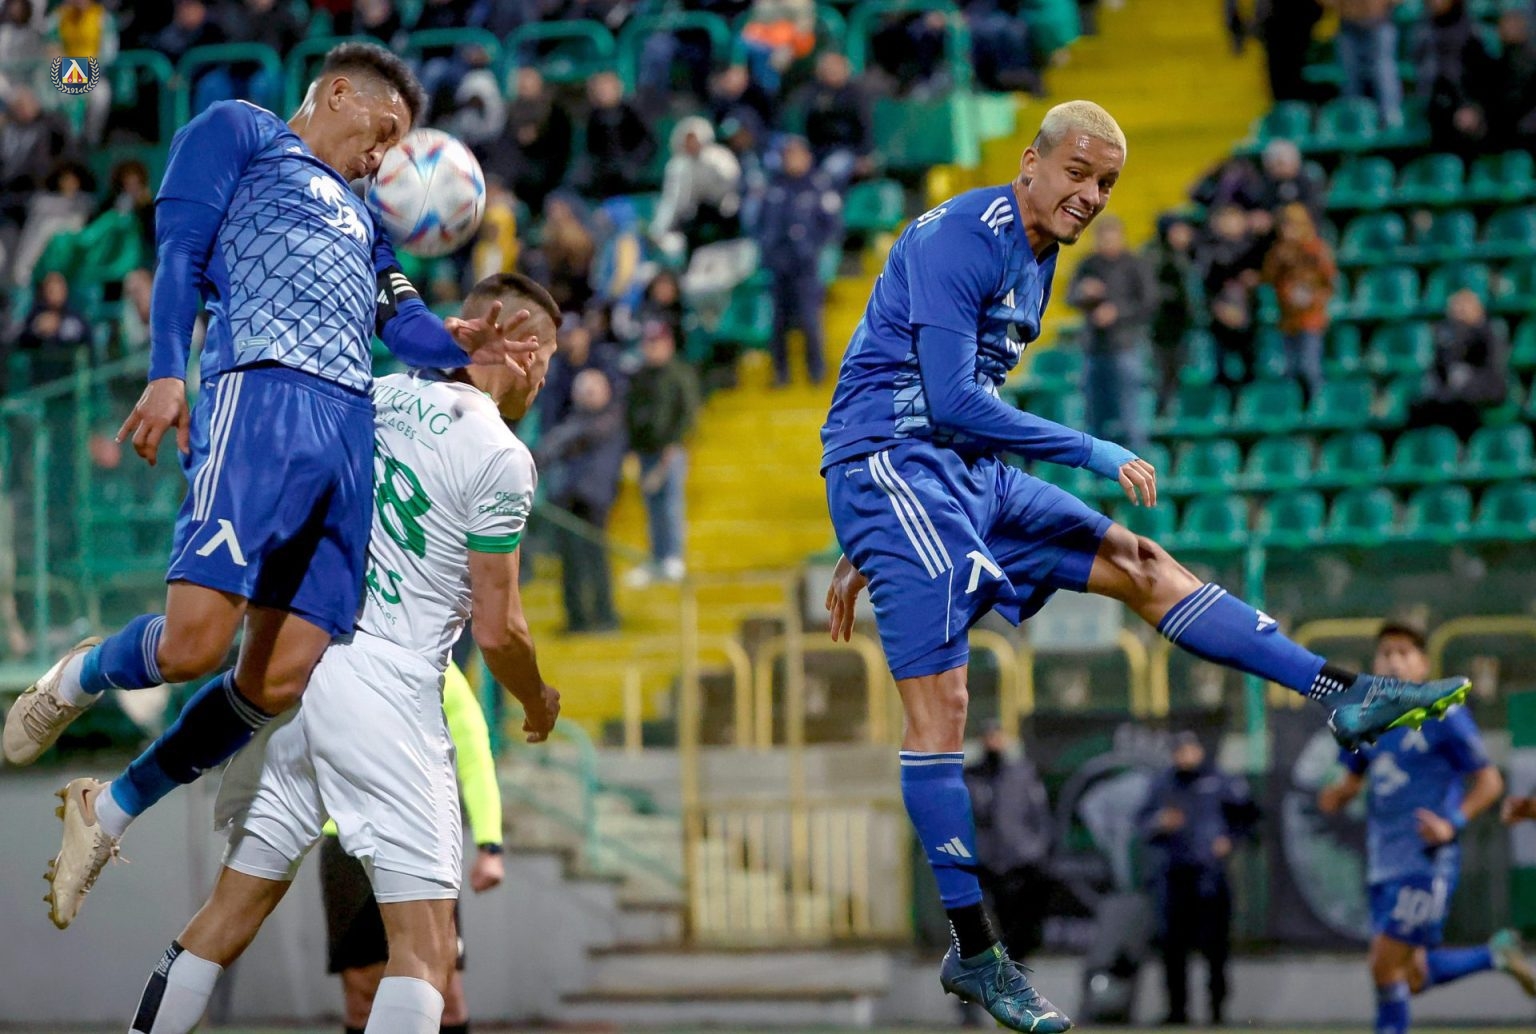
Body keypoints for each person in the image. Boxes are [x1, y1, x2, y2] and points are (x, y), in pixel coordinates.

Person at [818, 99, 1471, 1033]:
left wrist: (873, 539)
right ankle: (975, 950)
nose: (1092, 196)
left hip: (956, 475)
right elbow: (948, 400)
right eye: (1078, 173)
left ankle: (1344, 695)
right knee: (945, 704)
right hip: (896, 462)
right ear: (1030, 161)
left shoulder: (1040, 253)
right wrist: (1085, 450)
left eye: (1107, 184)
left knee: (1139, 559)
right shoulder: (963, 235)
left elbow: (934, 388)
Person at [2, 42, 536, 929]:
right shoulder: (240, 134)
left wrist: (458, 342)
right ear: (338, 93)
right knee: (189, 648)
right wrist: (166, 372)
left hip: (348, 439)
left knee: (278, 680)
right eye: (385, 131)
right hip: (260, 406)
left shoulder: (367, 218)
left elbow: (402, 324)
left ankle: (113, 808)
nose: (387, 155)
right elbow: (180, 253)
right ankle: (79, 676)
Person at [120, 273, 562, 1034]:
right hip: (390, 691)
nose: (546, 379)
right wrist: (537, 698)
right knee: (425, 950)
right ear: (522, 349)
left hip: (301, 671)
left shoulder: (372, 398)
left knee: (228, 913)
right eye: (548, 360)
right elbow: (499, 630)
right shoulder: (501, 456)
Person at [1317, 620, 1536, 1034]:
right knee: (1411, 975)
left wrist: (1452, 823)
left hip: (1424, 860)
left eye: (1404, 653)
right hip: (1382, 862)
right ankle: (1493, 956)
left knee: (1384, 967)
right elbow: (1343, 787)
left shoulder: (1444, 713)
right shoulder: (1368, 719)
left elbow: (1490, 782)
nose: (1394, 661)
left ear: (1423, 664)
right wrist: (1335, 792)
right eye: (1386, 653)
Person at [321, 662, 504, 1034]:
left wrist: (490, 844)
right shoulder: (335, 659)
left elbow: (474, 755)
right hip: (347, 845)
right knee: (362, 996)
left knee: (443, 994)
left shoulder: (439, 666)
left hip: (422, 841)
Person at [1137, 732, 1257, 1026]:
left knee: (1215, 948)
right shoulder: (1163, 783)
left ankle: (1217, 1011)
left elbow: (1249, 818)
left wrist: (1230, 840)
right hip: (1174, 877)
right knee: (1173, 948)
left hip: (1210, 877)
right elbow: (1141, 823)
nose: (1185, 756)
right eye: (1179, 751)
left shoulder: (1221, 780)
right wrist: (1160, 822)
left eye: (1190, 749)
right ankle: (1177, 1011)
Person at [536, 367, 626, 634]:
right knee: (571, 563)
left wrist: (559, 446)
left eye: (592, 391)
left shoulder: (610, 418)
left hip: (593, 500)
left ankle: (604, 616)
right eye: (583, 392)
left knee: (595, 560)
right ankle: (577, 619)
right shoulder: (574, 421)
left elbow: (573, 438)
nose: (587, 397)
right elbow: (552, 446)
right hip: (568, 500)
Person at [757, 135, 842, 387]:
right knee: (778, 322)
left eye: (796, 155)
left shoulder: (818, 186)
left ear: (807, 157)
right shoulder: (773, 187)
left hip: (806, 265)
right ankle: (780, 374)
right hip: (778, 264)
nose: (791, 160)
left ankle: (816, 372)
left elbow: (832, 225)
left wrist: (814, 248)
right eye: (787, 155)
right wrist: (768, 248)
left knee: (809, 319)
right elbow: (759, 223)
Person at [1066, 214, 1155, 453]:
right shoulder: (1088, 265)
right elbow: (1070, 296)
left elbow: (1148, 303)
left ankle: (1137, 464)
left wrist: (1117, 312)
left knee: (1130, 417)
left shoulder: (1134, 265)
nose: (1107, 243)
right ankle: (1098, 469)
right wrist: (1083, 293)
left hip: (1126, 347)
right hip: (1094, 349)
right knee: (1094, 417)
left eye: (1111, 237)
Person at [625, 320, 699, 587]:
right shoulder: (641, 376)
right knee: (651, 506)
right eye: (648, 343)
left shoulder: (679, 373)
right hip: (646, 451)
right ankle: (656, 557)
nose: (651, 348)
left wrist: (673, 446)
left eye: (656, 342)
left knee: (670, 503)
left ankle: (673, 556)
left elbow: (687, 413)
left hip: (671, 450)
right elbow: (632, 413)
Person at [1408, 289, 1508, 442]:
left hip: (1481, 394)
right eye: (1455, 310)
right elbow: (1439, 370)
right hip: (1451, 396)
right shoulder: (1446, 337)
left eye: (1463, 309)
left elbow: (1494, 376)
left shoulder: (1490, 334)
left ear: (1478, 311)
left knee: (1462, 408)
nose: (1458, 315)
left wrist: (1465, 383)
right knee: (1419, 407)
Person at [1260, 202, 1336, 402]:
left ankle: (1319, 405)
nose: (1288, 231)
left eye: (1292, 225)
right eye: (1284, 226)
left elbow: (1328, 281)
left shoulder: (1316, 249)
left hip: (1311, 318)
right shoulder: (1278, 252)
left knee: (1309, 367)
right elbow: (1268, 278)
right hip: (1287, 319)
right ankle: (1292, 408)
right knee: (1290, 369)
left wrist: (1313, 298)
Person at [1328, 0, 1404, 128]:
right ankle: (1352, 121)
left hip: (1380, 23)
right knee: (1349, 76)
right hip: (1347, 26)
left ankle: (1390, 119)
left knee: (1383, 70)